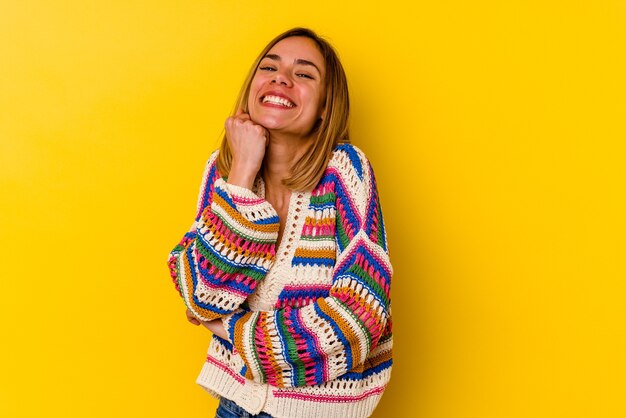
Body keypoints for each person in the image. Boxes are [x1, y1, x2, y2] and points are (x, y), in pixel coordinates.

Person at [167, 27, 393, 418]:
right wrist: (241, 175)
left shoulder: (345, 172)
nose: (281, 78)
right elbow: (200, 292)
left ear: (325, 106)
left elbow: (360, 315)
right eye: (269, 67)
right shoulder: (223, 170)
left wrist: (231, 330)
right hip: (233, 404)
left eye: (304, 74)